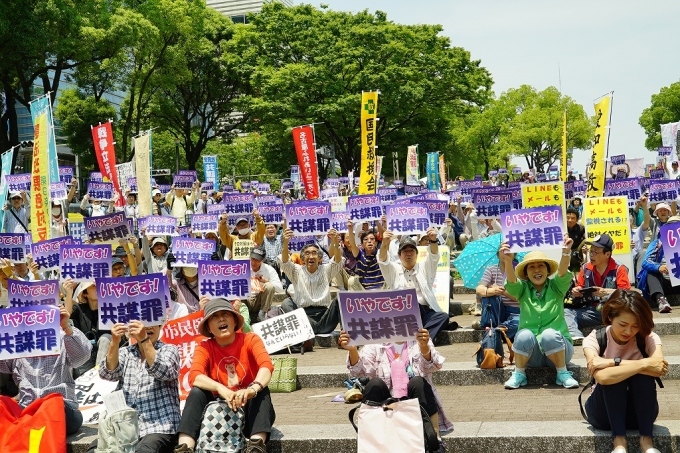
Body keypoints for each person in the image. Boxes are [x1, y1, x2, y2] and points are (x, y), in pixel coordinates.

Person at [175, 298, 275, 453]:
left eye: (225, 314)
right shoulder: (205, 346)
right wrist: (220, 388)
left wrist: (251, 389)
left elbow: (266, 366)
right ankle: (185, 446)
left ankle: (257, 444)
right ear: (208, 327)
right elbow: (194, 375)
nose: (221, 319)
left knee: (261, 391)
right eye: (215, 317)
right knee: (196, 392)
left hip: (248, 412)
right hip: (216, 416)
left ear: (235, 320)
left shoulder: (251, 339)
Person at [338, 328, 452, 451]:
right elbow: (358, 372)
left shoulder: (419, 338)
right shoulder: (375, 342)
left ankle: (434, 438)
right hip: (386, 404)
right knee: (374, 384)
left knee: (418, 382)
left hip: (415, 402)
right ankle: (373, 440)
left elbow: (434, 366)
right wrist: (353, 350)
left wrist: (424, 348)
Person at [582, 290, 667, 453]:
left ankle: (647, 442)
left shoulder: (648, 337)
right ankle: (619, 443)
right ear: (610, 317)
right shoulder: (595, 339)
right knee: (615, 376)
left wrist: (611, 362)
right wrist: (643, 365)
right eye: (623, 325)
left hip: (641, 413)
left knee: (639, 374)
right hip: (603, 413)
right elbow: (602, 377)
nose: (629, 331)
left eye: (636, 326)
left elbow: (659, 367)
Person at [87, 320, 180, 453]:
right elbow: (107, 373)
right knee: (94, 449)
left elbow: (164, 371)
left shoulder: (169, 350)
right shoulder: (126, 352)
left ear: (160, 325)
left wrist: (144, 340)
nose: (148, 326)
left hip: (159, 426)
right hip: (123, 427)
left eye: (153, 321)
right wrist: (114, 341)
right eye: (142, 322)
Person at [501, 235, 580, 390]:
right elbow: (511, 283)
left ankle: (563, 373)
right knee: (523, 334)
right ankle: (519, 373)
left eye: (541, 266)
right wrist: (508, 261)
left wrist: (565, 252)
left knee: (549, 334)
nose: (537, 270)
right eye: (531, 266)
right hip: (533, 354)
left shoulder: (556, 287)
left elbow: (563, 274)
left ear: (547, 269)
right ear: (526, 272)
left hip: (560, 349)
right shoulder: (522, 289)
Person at [0, 304, 92, 435]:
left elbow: (82, 356)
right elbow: (3, 365)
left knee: (52, 407)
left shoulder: (62, 337)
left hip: (63, 408)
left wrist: (66, 326)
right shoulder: (16, 343)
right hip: (27, 409)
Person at [378, 229, 450, 340]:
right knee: (412, 303)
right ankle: (423, 339)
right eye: (405, 251)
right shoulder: (394, 270)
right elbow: (383, 260)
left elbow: (434, 256)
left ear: (416, 254)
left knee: (443, 317)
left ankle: (422, 340)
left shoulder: (424, 267)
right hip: (403, 313)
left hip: (425, 312)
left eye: (411, 250)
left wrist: (433, 240)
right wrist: (384, 242)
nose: (408, 254)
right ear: (399, 255)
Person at [566, 234, 631, 339]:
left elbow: (626, 293)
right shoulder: (585, 268)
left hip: (613, 311)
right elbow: (580, 286)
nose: (592, 255)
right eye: (591, 251)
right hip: (591, 311)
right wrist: (576, 291)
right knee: (567, 312)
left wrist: (606, 292)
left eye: (596, 252)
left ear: (607, 254)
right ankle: (576, 336)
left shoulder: (619, 268)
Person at [279, 228, 343, 334]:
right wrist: (286, 242)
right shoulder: (296, 270)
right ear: (303, 260)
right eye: (307, 254)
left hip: (325, 320)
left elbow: (338, 261)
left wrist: (335, 241)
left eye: (314, 253)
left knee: (340, 299)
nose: (311, 256)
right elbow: (285, 261)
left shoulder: (326, 270)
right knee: (286, 303)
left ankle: (345, 336)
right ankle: (303, 334)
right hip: (304, 320)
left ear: (320, 258)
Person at [474, 247, 520, 341]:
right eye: (503, 250)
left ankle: (494, 330)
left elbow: (520, 297)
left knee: (518, 323)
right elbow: (479, 289)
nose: (505, 253)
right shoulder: (491, 269)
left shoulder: (520, 270)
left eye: (509, 251)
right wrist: (493, 291)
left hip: (515, 311)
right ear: (498, 254)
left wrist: (502, 291)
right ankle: (497, 328)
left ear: (514, 254)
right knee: (489, 296)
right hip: (497, 310)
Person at [638, 216, 680, 313]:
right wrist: (659, 267)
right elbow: (645, 262)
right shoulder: (657, 243)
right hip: (663, 282)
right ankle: (661, 300)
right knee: (651, 272)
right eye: (671, 226)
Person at [247, 246, 283, 322]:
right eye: (252, 259)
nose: (253, 262)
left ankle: (262, 313)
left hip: (260, 300)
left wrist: (265, 281)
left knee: (269, 286)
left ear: (263, 260)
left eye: (257, 260)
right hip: (246, 299)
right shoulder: (242, 267)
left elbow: (280, 289)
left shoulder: (269, 269)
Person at [346, 220, 384, 290]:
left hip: (381, 288)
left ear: (376, 243)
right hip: (364, 290)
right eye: (366, 239)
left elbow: (385, 239)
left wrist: (380, 223)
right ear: (362, 244)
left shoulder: (380, 253)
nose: (369, 241)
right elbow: (352, 245)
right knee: (351, 281)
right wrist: (350, 229)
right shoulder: (360, 254)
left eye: (372, 239)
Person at [566, 206, 586, 272]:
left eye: (573, 218)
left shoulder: (581, 228)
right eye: (567, 218)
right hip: (564, 251)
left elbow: (586, 238)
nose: (570, 220)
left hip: (576, 252)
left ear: (577, 220)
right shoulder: (561, 228)